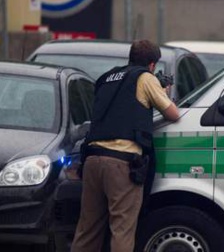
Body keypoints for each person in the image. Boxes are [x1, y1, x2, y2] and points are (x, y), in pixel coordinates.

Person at [71, 39, 180, 252]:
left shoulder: (107, 78)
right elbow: (172, 114)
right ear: (151, 65)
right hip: (121, 163)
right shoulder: (146, 78)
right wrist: (162, 92)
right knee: (122, 230)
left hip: (92, 161)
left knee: (87, 230)